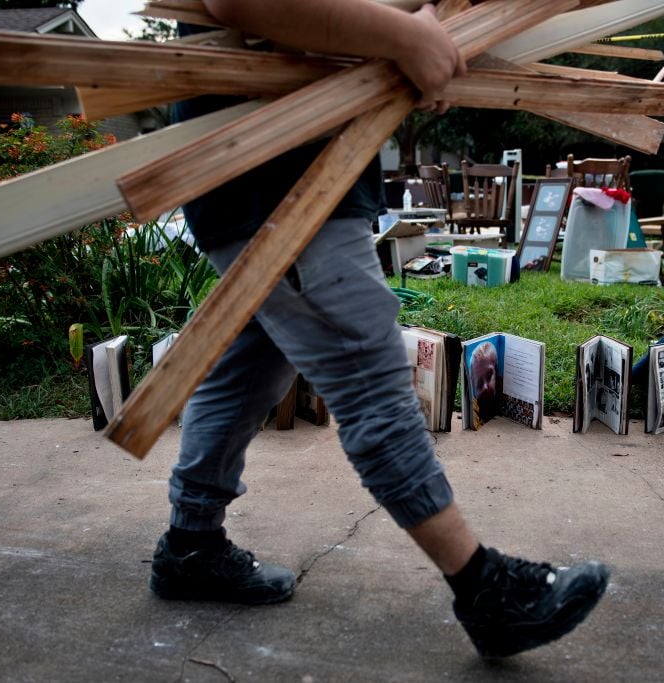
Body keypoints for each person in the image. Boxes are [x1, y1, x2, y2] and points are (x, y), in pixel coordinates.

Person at [147, 0, 609, 659]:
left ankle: (192, 542)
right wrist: (402, 35)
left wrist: (399, 46)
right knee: (367, 371)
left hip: (280, 160)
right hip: (275, 170)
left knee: (253, 363)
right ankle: (485, 589)